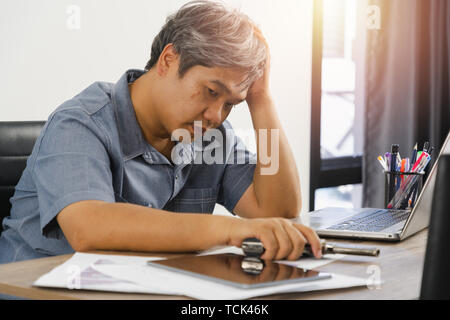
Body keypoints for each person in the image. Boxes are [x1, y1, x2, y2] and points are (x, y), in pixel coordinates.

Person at [0, 0, 322, 264]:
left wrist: (260, 100)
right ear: (169, 60)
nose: (216, 115)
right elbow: (89, 228)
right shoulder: (80, 123)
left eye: (230, 104)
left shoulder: (211, 134)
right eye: (211, 91)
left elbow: (278, 211)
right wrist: (228, 230)